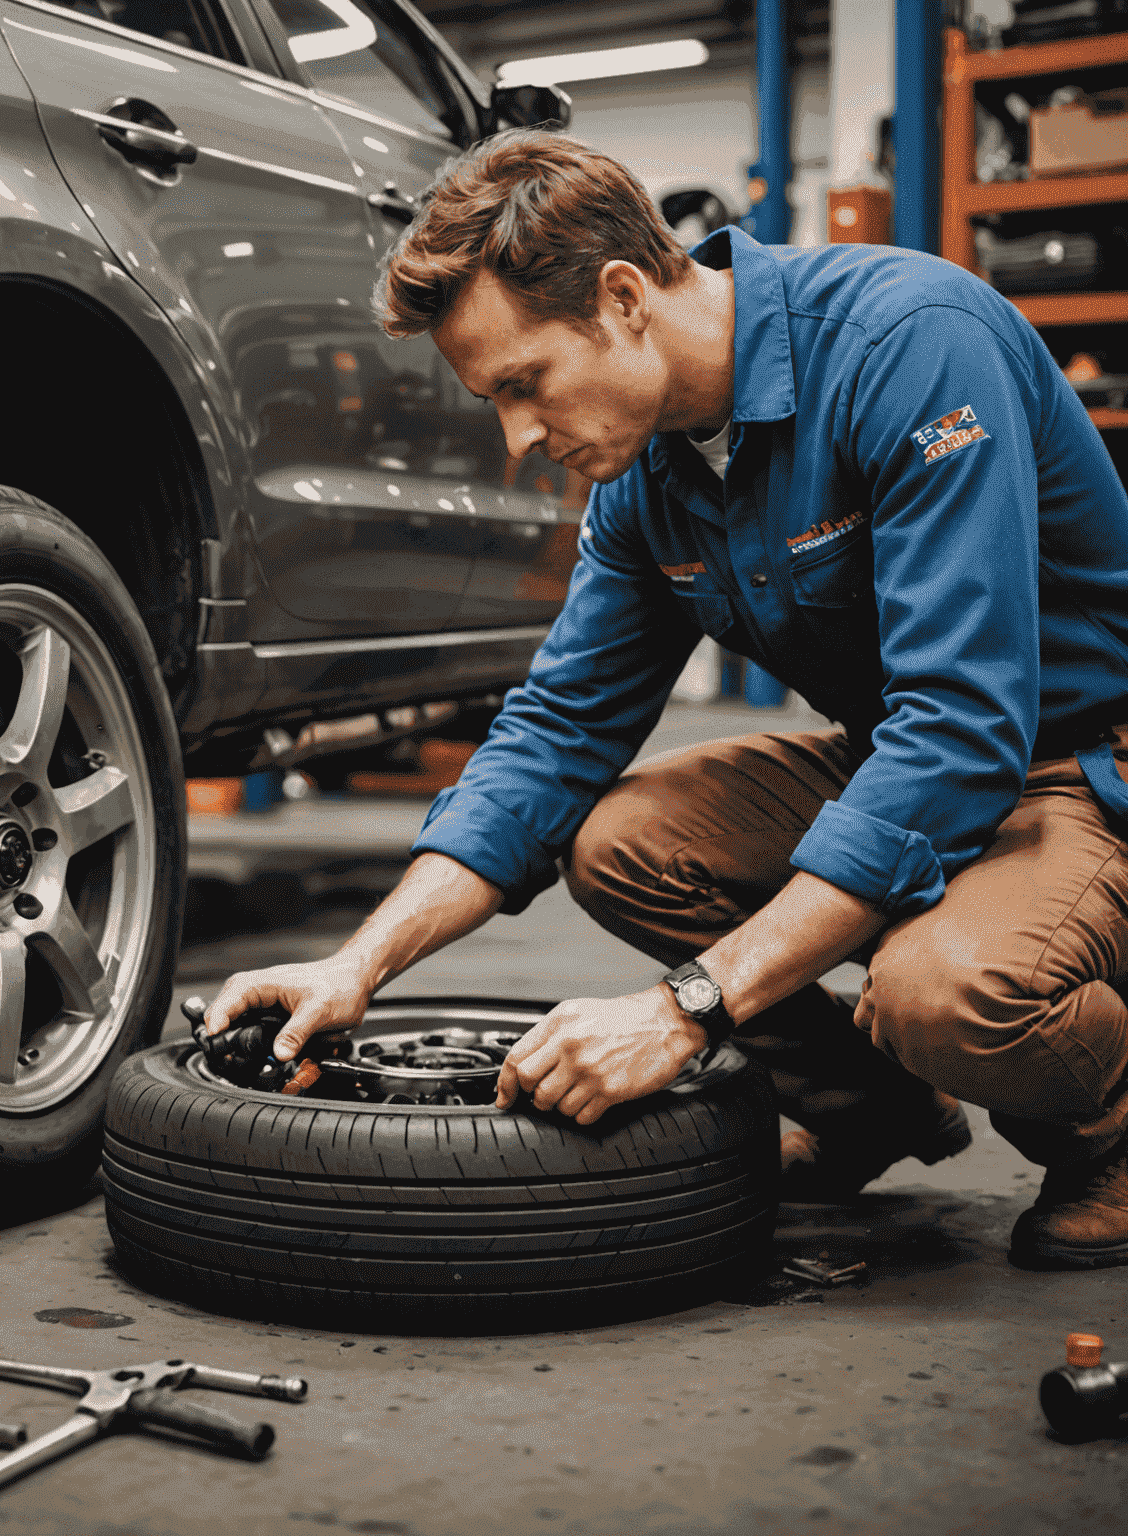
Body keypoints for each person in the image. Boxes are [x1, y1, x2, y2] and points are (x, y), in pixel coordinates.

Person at [202, 130, 1128, 1272]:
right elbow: (556, 732)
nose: (519, 439)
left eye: (522, 385)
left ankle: (1109, 1137)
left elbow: (964, 729)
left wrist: (685, 1008)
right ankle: (875, 1113)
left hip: (1079, 766)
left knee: (941, 992)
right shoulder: (650, 472)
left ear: (625, 297)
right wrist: (359, 964)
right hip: (910, 752)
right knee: (621, 840)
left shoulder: (909, 345)